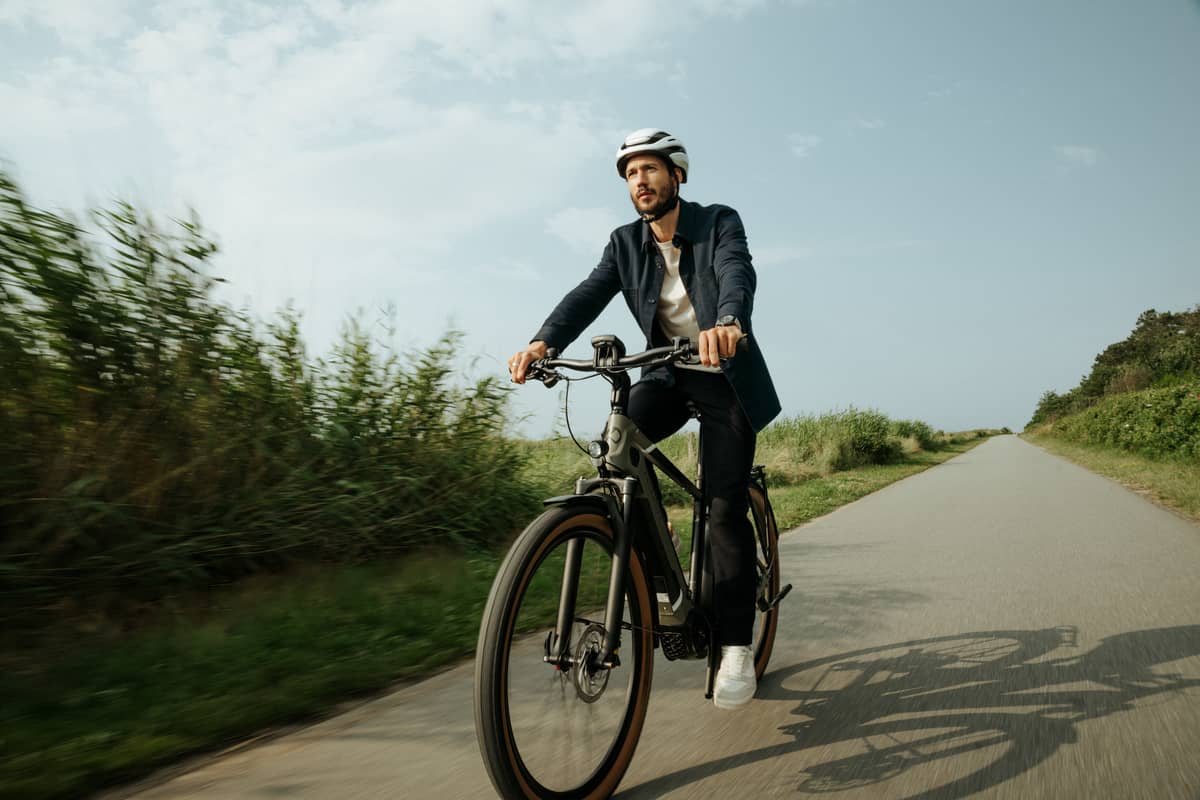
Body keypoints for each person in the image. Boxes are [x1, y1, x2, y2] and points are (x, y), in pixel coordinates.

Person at [508, 128, 781, 709]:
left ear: (676, 175)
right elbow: (589, 292)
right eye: (631, 174)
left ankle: (734, 644)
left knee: (723, 505)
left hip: (724, 378)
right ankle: (658, 551)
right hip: (665, 373)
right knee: (614, 449)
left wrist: (728, 321)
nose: (640, 181)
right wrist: (541, 342)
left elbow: (737, 270)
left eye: (651, 169)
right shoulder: (624, 242)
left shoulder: (717, 222)